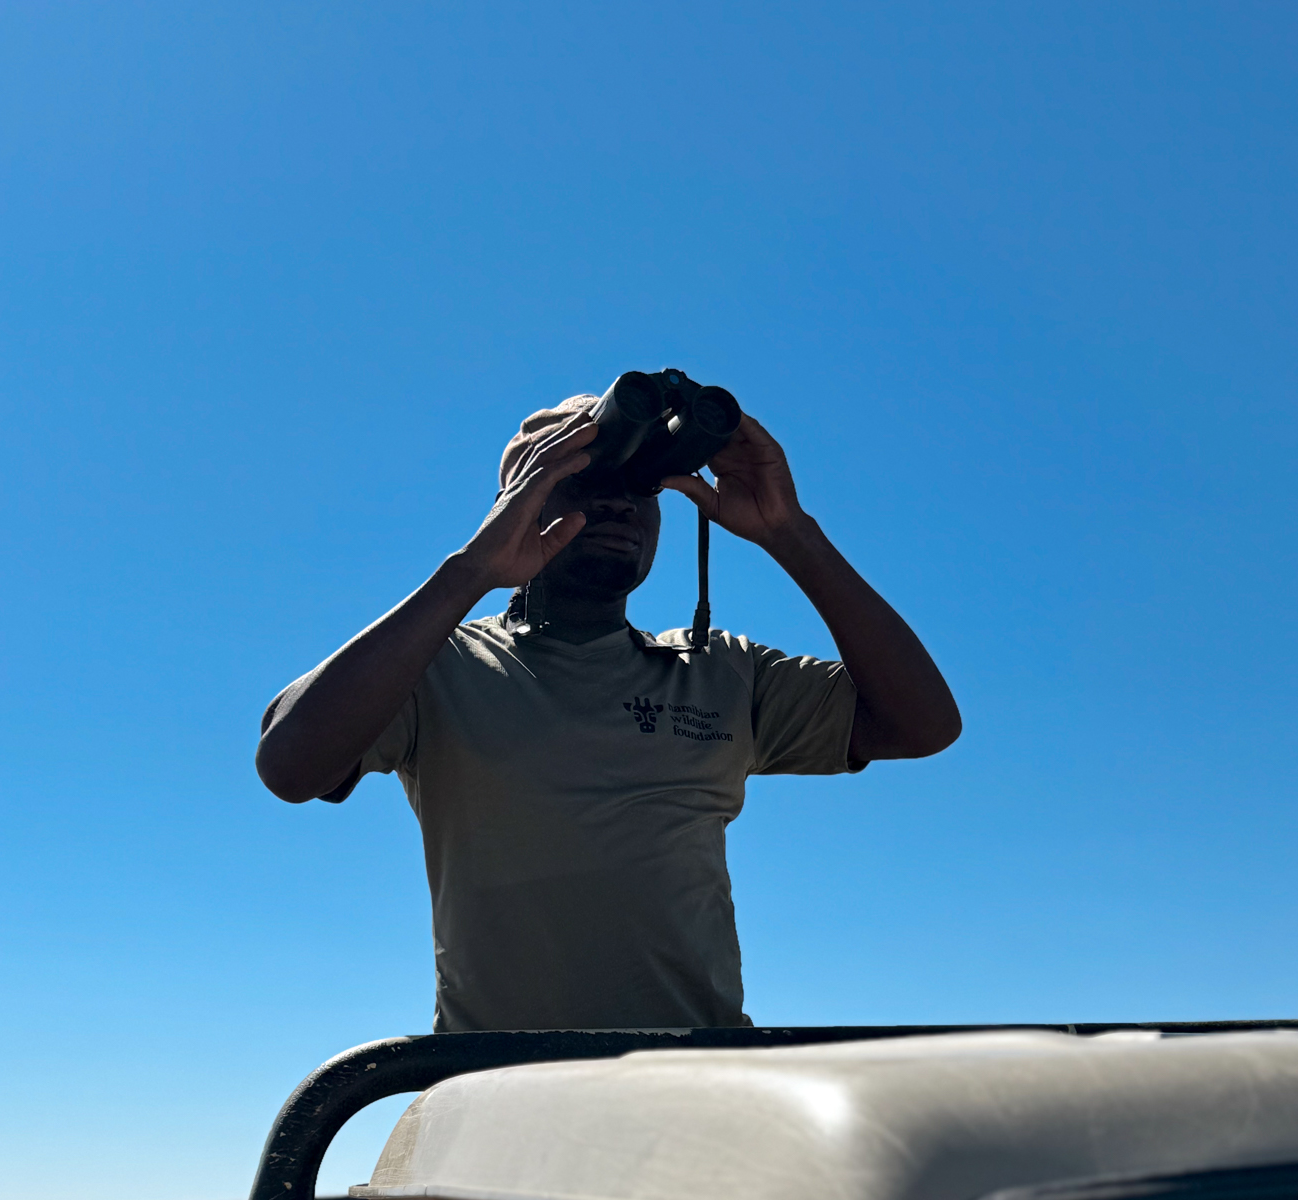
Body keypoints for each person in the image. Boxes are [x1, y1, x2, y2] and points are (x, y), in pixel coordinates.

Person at [256, 395, 962, 1032]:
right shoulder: (437, 666)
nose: (622, 506)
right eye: (588, 485)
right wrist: (472, 569)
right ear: (519, 505)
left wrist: (789, 530)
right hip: (495, 1087)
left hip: (695, 1083)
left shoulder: (720, 671)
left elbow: (922, 725)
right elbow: (291, 762)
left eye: (642, 490)